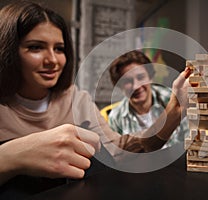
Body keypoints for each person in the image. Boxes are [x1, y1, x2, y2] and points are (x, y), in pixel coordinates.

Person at [0, 1, 191, 188]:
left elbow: (118, 152)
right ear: (8, 49)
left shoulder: (77, 100)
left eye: (59, 49)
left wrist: (176, 109)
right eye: (35, 47)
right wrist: (12, 156)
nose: (52, 60)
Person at [108, 50, 189, 148]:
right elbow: (119, 156)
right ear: (119, 85)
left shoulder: (172, 99)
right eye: (127, 81)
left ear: (151, 77)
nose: (136, 86)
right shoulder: (116, 117)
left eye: (141, 77)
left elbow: (187, 141)